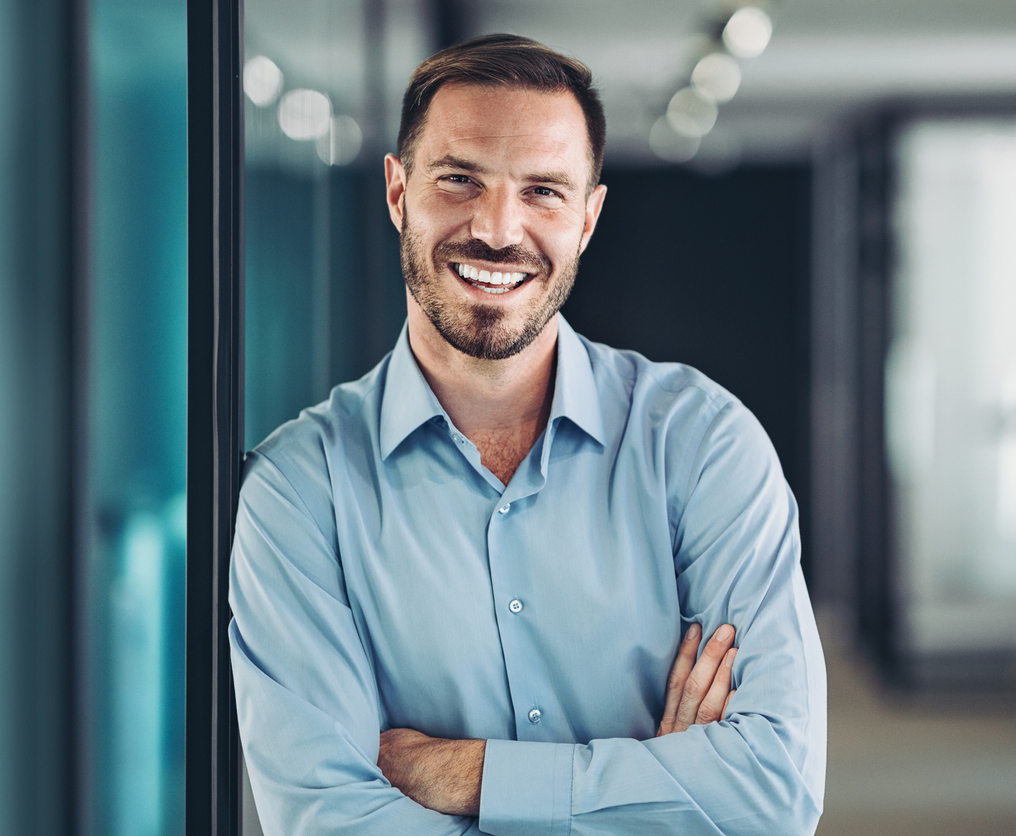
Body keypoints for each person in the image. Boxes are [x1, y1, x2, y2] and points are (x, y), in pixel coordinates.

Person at [229, 33, 826, 835]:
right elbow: (331, 819)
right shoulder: (300, 490)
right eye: (459, 180)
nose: (499, 229)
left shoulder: (702, 444)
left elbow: (773, 791)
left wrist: (470, 774)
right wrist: (659, 788)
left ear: (588, 216)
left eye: (543, 190)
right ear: (399, 192)